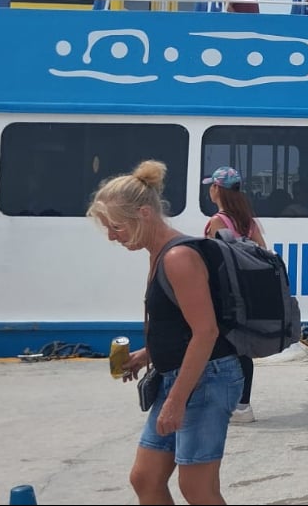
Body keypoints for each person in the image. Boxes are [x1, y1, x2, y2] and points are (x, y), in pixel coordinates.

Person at [88, 160, 243, 504]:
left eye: (116, 226)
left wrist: (175, 401)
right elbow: (181, 325)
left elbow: (206, 332)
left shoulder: (178, 258)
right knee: (145, 478)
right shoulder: (158, 254)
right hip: (180, 374)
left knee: (198, 488)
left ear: (143, 213)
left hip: (206, 379)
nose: (112, 236)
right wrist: (148, 354)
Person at [201, 166, 266, 423]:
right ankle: (243, 405)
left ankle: (221, 403)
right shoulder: (248, 221)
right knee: (243, 350)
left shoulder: (217, 222)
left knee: (215, 349)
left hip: (223, 297)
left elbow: (207, 260)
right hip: (246, 295)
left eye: (212, 185)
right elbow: (263, 252)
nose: (209, 190)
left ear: (218, 189)